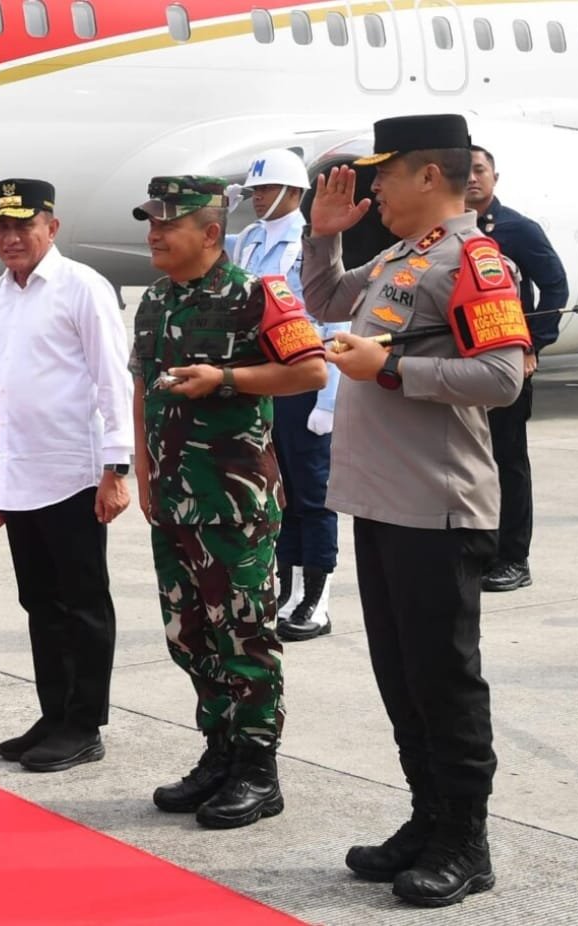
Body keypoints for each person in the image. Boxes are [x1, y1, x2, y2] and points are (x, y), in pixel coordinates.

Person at [302, 114, 528, 906]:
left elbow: (502, 377)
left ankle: (466, 840)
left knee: (444, 679)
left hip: (439, 506)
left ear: (428, 176)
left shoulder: (475, 259)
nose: (375, 191)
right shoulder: (402, 255)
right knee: (400, 676)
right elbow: (326, 296)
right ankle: (427, 818)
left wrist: (391, 365)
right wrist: (323, 236)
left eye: (384, 175)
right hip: (383, 502)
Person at [131, 176, 327, 829]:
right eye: (151, 223)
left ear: (210, 231)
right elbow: (143, 389)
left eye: (168, 223)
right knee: (190, 635)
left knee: (244, 635)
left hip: (235, 499)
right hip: (175, 500)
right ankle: (219, 753)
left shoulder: (255, 295)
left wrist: (228, 379)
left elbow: (310, 370)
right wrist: (144, 466)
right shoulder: (156, 300)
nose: (155, 234)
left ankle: (257, 769)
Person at [0, 178, 133, 773]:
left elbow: (112, 381)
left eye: (24, 226)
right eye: (2, 227)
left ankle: (84, 721)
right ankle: (54, 710)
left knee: (82, 601)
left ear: (52, 227)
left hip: (73, 474)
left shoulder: (81, 288)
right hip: (19, 474)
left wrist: (116, 468)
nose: (11, 238)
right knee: (38, 600)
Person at [227, 149, 349, 640]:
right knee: (278, 493)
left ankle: (317, 598)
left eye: (264, 190)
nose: (255, 199)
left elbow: (334, 322)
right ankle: (289, 588)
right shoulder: (251, 240)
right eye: (253, 191)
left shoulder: (307, 246)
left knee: (312, 493)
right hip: (264, 377)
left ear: (293, 193)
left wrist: (328, 402)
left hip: (303, 378)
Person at [466, 145, 569, 592]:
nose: (472, 178)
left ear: (495, 176)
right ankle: (479, 553)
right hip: (460, 368)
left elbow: (555, 289)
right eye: (464, 171)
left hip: (507, 363)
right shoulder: (444, 232)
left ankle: (513, 558)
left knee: (507, 461)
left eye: (480, 170)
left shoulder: (516, 229)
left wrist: (532, 347)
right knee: (468, 464)